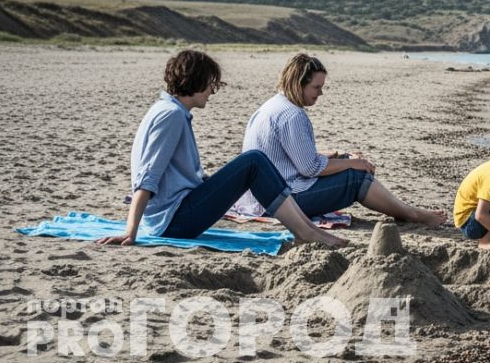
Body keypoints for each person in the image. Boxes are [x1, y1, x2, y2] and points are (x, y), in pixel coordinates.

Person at [97, 50, 346, 248]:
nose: (212, 92)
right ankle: (306, 232)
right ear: (195, 82)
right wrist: (131, 232)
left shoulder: (169, 110)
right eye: (210, 85)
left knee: (253, 162)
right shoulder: (170, 116)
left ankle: (310, 231)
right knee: (254, 161)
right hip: (174, 221)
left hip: (177, 211)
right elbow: (147, 177)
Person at [233, 53, 447, 227]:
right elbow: (309, 167)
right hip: (279, 202)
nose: (321, 93)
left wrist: (339, 155)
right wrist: (356, 163)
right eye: (316, 87)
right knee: (356, 177)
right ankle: (412, 214)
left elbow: (289, 157)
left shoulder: (271, 107)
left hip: (259, 198)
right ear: (299, 84)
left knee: (347, 161)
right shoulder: (292, 115)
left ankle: (404, 210)